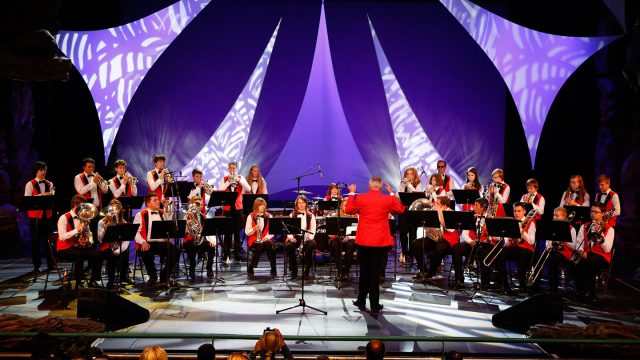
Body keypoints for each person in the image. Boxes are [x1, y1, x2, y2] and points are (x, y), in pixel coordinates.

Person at [346, 177, 405, 312]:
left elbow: (348, 209)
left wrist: (351, 193)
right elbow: (400, 210)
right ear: (381, 187)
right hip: (380, 242)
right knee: (374, 273)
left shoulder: (361, 198)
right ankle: (374, 304)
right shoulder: (387, 199)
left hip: (364, 241)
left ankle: (361, 300)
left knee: (364, 271)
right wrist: (391, 193)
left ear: (369, 185)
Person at [56, 195, 102, 288]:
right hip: (64, 248)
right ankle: (78, 282)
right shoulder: (64, 217)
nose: (84, 209)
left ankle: (93, 281)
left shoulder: (83, 217)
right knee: (79, 255)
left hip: (78, 247)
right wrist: (77, 230)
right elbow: (62, 237)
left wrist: (89, 241)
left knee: (97, 255)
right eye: (82, 206)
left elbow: (89, 234)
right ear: (75, 205)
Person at [133, 193, 178, 285]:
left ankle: (165, 276)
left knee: (176, 251)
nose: (158, 202)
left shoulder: (163, 212)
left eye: (158, 200)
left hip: (162, 243)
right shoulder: (140, 214)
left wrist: (169, 216)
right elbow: (135, 232)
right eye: (155, 200)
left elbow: (169, 228)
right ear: (148, 203)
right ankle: (153, 276)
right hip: (148, 243)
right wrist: (142, 242)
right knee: (146, 253)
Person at [573, 204, 615, 302]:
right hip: (587, 253)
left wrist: (600, 235)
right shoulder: (585, 225)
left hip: (602, 256)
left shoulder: (610, 229)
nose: (593, 214)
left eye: (596, 212)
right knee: (575, 262)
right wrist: (580, 252)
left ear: (603, 214)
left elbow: (607, 249)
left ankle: (591, 293)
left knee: (591, 262)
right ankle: (580, 290)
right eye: (591, 211)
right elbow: (579, 242)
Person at [413, 196, 459, 281]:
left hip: (448, 240)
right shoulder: (435, 212)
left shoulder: (451, 213)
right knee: (417, 244)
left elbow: (450, 229)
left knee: (439, 249)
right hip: (435, 239)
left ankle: (431, 272)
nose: (434, 204)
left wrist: (440, 213)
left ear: (444, 205)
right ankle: (423, 270)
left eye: (437, 203)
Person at [185, 169, 216, 280]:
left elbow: (211, 192)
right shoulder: (190, 187)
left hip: (201, 235)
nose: (199, 178)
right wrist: (199, 187)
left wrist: (212, 241)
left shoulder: (204, 216)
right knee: (192, 247)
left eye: (200, 176)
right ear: (193, 177)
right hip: (190, 239)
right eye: (197, 176)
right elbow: (190, 198)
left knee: (211, 247)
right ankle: (192, 269)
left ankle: (209, 269)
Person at [452, 198, 490, 289]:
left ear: (483, 207)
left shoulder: (490, 218)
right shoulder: (471, 217)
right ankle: (459, 278)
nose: (473, 207)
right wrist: (470, 241)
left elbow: (495, 237)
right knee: (456, 248)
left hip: (484, 244)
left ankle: (485, 282)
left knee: (483, 251)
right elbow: (464, 234)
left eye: (476, 205)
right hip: (472, 243)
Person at [24, 161, 55, 273]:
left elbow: (52, 199)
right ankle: (36, 266)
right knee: (36, 242)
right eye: (41, 170)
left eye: (44, 170)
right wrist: (42, 195)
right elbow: (27, 200)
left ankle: (51, 264)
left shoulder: (50, 184)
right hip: (35, 217)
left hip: (48, 216)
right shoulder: (30, 184)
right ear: (36, 171)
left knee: (49, 241)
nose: (43, 172)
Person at [219, 161, 251, 263]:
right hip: (228, 208)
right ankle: (226, 253)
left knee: (237, 231)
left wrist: (239, 180)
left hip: (238, 208)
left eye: (234, 168)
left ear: (236, 169)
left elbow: (248, 188)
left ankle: (237, 253)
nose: (232, 169)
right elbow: (221, 189)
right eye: (230, 168)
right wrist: (229, 181)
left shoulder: (241, 178)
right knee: (227, 231)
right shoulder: (224, 178)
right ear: (228, 169)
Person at [501, 202, 536, 292]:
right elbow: (506, 236)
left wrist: (521, 230)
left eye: (519, 211)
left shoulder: (530, 222)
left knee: (522, 253)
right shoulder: (512, 222)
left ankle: (522, 285)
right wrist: (506, 242)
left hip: (527, 249)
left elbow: (532, 241)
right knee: (500, 255)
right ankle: (504, 284)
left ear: (524, 211)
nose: (516, 213)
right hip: (514, 247)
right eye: (515, 211)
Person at [97, 199, 132, 288]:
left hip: (119, 246)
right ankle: (111, 280)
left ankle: (123, 277)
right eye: (112, 208)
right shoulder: (102, 222)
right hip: (106, 246)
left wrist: (119, 250)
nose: (115, 211)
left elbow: (126, 240)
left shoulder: (123, 222)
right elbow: (100, 239)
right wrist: (106, 228)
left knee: (124, 254)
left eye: (117, 209)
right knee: (111, 256)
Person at [544, 207, 576, 294]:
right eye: (554, 215)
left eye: (557, 216)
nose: (554, 217)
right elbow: (548, 240)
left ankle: (554, 289)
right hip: (554, 251)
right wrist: (548, 246)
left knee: (553, 259)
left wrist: (564, 238)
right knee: (547, 258)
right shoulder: (551, 226)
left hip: (566, 253)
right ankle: (549, 287)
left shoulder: (571, 229)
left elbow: (574, 247)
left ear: (564, 218)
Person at [285, 195, 316, 279]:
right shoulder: (292, 214)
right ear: (296, 204)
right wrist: (291, 237)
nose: (301, 205)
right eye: (299, 203)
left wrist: (309, 237)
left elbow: (313, 229)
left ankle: (307, 271)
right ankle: (294, 270)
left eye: (303, 202)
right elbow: (288, 229)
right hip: (296, 237)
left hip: (307, 237)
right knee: (289, 246)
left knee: (310, 246)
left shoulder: (310, 215)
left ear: (306, 204)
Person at [245, 197, 276, 278]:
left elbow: (272, 231)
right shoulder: (250, 216)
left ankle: (273, 267)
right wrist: (254, 229)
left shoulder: (269, 216)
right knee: (260, 245)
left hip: (265, 239)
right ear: (256, 206)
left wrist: (267, 237)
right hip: (254, 241)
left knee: (267, 244)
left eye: (264, 205)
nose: (263, 207)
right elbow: (247, 232)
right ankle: (252, 266)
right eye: (260, 205)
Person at [397, 167, 422, 264]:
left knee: (413, 233)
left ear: (414, 175)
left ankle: (412, 254)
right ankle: (404, 252)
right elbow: (398, 195)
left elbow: (417, 194)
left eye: (411, 174)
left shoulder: (418, 184)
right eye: (407, 174)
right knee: (403, 232)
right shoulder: (403, 183)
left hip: (414, 211)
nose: (409, 176)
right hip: (403, 210)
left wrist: (409, 185)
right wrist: (403, 185)